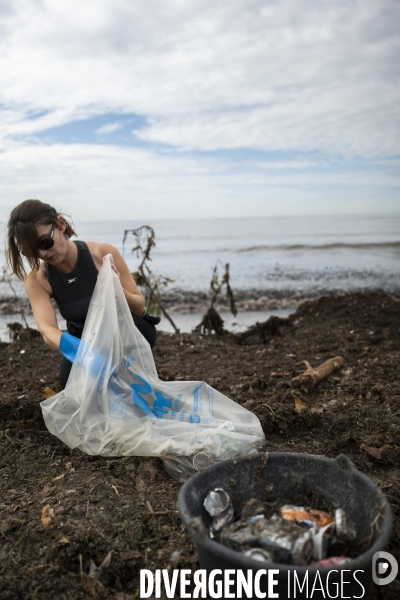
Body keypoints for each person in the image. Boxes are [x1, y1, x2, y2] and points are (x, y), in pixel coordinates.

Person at [6, 199, 159, 389]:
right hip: (86, 341)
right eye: (32, 251)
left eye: (45, 242)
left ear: (60, 224)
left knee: (123, 381)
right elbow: (47, 330)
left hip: (130, 330)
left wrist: (116, 287)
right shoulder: (38, 279)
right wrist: (84, 354)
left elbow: (139, 306)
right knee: (69, 382)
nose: (43, 254)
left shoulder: (102, 254)